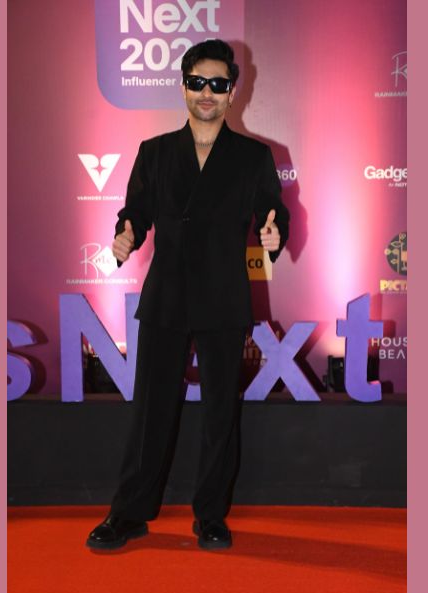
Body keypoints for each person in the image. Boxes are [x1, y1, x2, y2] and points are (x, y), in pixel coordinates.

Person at [86, 39, 289, 551]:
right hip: (167, 296)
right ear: (183, 86)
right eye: (198, 82)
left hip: (223, 296)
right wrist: (127, 233)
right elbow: (135, 211)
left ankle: (211, 516)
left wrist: (274, 232)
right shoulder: (154, 152)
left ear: (232, 92)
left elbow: (272, 208)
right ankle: (128, 513)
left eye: (218, 84)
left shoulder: (254, 157)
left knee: (221, 413)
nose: (207, 92)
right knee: (150, 411)